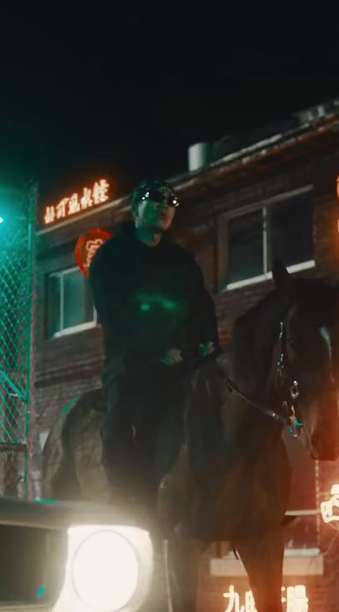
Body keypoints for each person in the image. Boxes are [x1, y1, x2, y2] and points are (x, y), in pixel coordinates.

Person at [87, 178, 218, 517]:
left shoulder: (181, 259)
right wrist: (156, 351)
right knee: (120, 422)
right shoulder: (112, 256)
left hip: (183, 361)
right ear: (135, 208)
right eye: (155, 200)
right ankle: (122, 498)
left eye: (171, 203)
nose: (164, 206)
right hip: (131, 362)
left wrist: (207, 342)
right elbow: (114, 314)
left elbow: (202, 305)